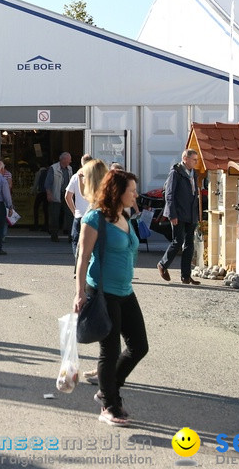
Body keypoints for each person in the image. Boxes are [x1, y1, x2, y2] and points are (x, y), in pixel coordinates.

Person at [73, 169, 148, 426]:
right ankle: (109, 406)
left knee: (139, 346)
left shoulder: (125, 216)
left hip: (126, 291)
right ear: (118, 191)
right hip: (103, 293)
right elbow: (82, 258)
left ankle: (108, 391)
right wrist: (80, 293)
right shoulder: (95, 218)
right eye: (132, 190)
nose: (135, 194)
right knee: (110, 349)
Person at [157, 149, 202, 285]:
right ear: (185, 159)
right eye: (194, 159)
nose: (196, 162)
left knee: (189, 244)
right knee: (178, 241)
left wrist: (197, 215)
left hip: (191, 214)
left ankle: (186, 276)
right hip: (178, 213)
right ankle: (162, 265)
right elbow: (169, 194)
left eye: (196, 159)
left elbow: (195, 194)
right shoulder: (176, 173)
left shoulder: (193, 173)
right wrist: (172, 214)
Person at [67, 157, 106, 256]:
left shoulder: (78, 176)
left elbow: (68, 196)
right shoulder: (101, 179)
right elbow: (85, 195)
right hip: (95, 215)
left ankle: (80, 261)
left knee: (78, 242)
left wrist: (74, 211)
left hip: (83, 215)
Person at [45, 152, 73, 243]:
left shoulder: (69, 169)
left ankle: (71, 236)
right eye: (69, 159)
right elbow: (48, 183)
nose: (70, 161)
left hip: (66, 195)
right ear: (63, 160)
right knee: (54, 216)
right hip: (56, 194)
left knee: (70, 215)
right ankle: (54, 235)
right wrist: (49, 193)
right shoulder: (53, 168)